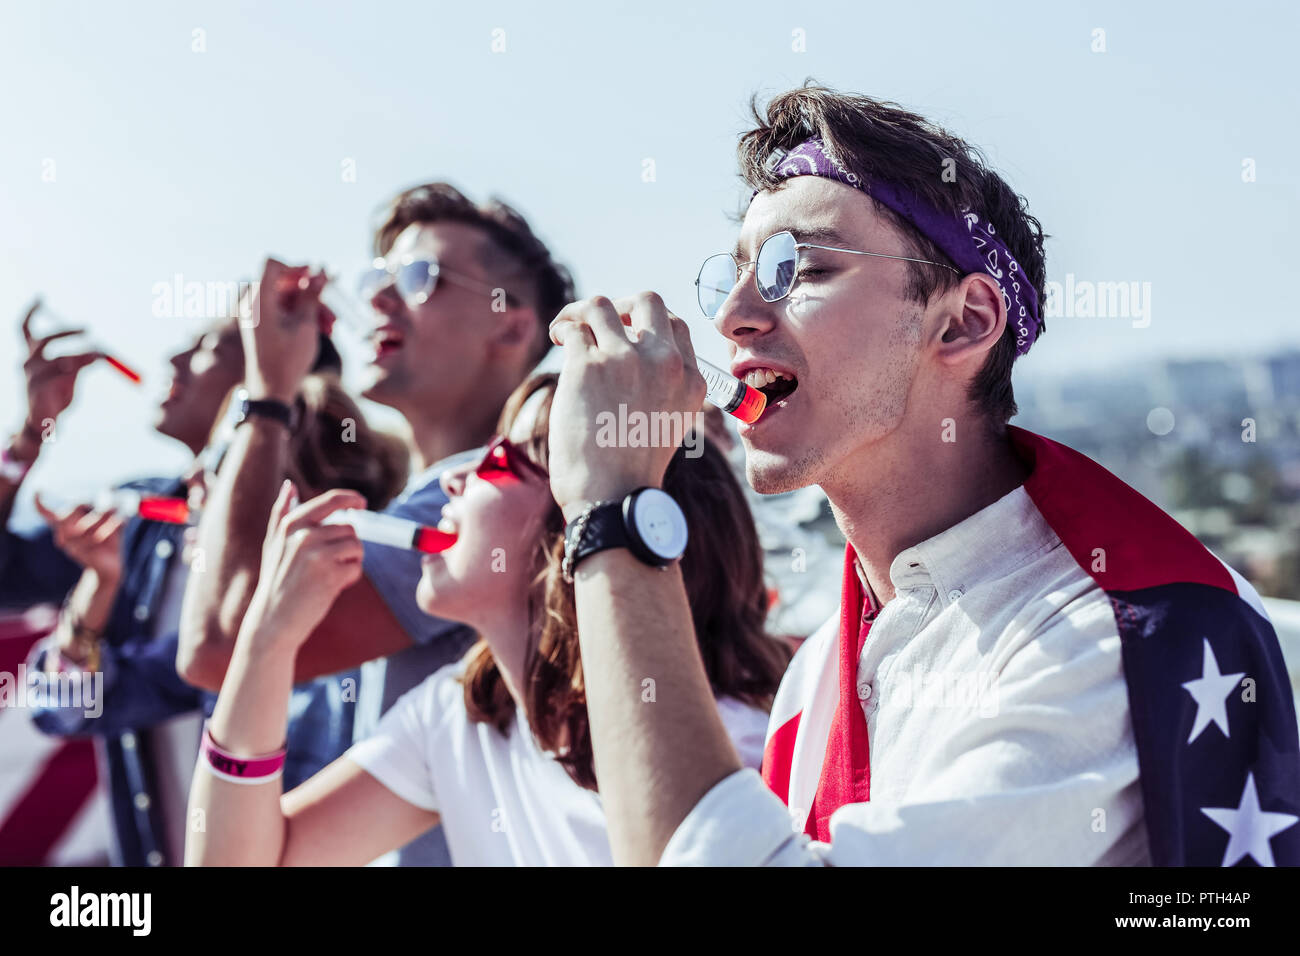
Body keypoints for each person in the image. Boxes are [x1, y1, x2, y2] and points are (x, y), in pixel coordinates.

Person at [542, 84, 1300, 866]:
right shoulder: (819, 671)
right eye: (736, 272)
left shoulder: (1108, 640)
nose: (734, 314)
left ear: (965, 321)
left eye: (791, 267)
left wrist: (617, 509)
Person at [184, 374, 789, 866]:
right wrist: (266, 640)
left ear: (576, 511)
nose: (453, 476)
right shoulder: (461, 717)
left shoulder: (725, 749)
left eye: (501, 457)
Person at [178, 183, 575, 865]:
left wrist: (267, 394)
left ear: (513, 324)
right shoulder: (436, 500)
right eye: (377, 280)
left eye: (420, 277)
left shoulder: (486, 496)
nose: (380, 300)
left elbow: (217, 649)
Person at [27, 372, 408, 825]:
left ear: (297, 499)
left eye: (223, 471)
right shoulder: (230, 645)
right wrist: (99, 583)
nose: (194, 486)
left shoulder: (368, 639)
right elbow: (68, 709)